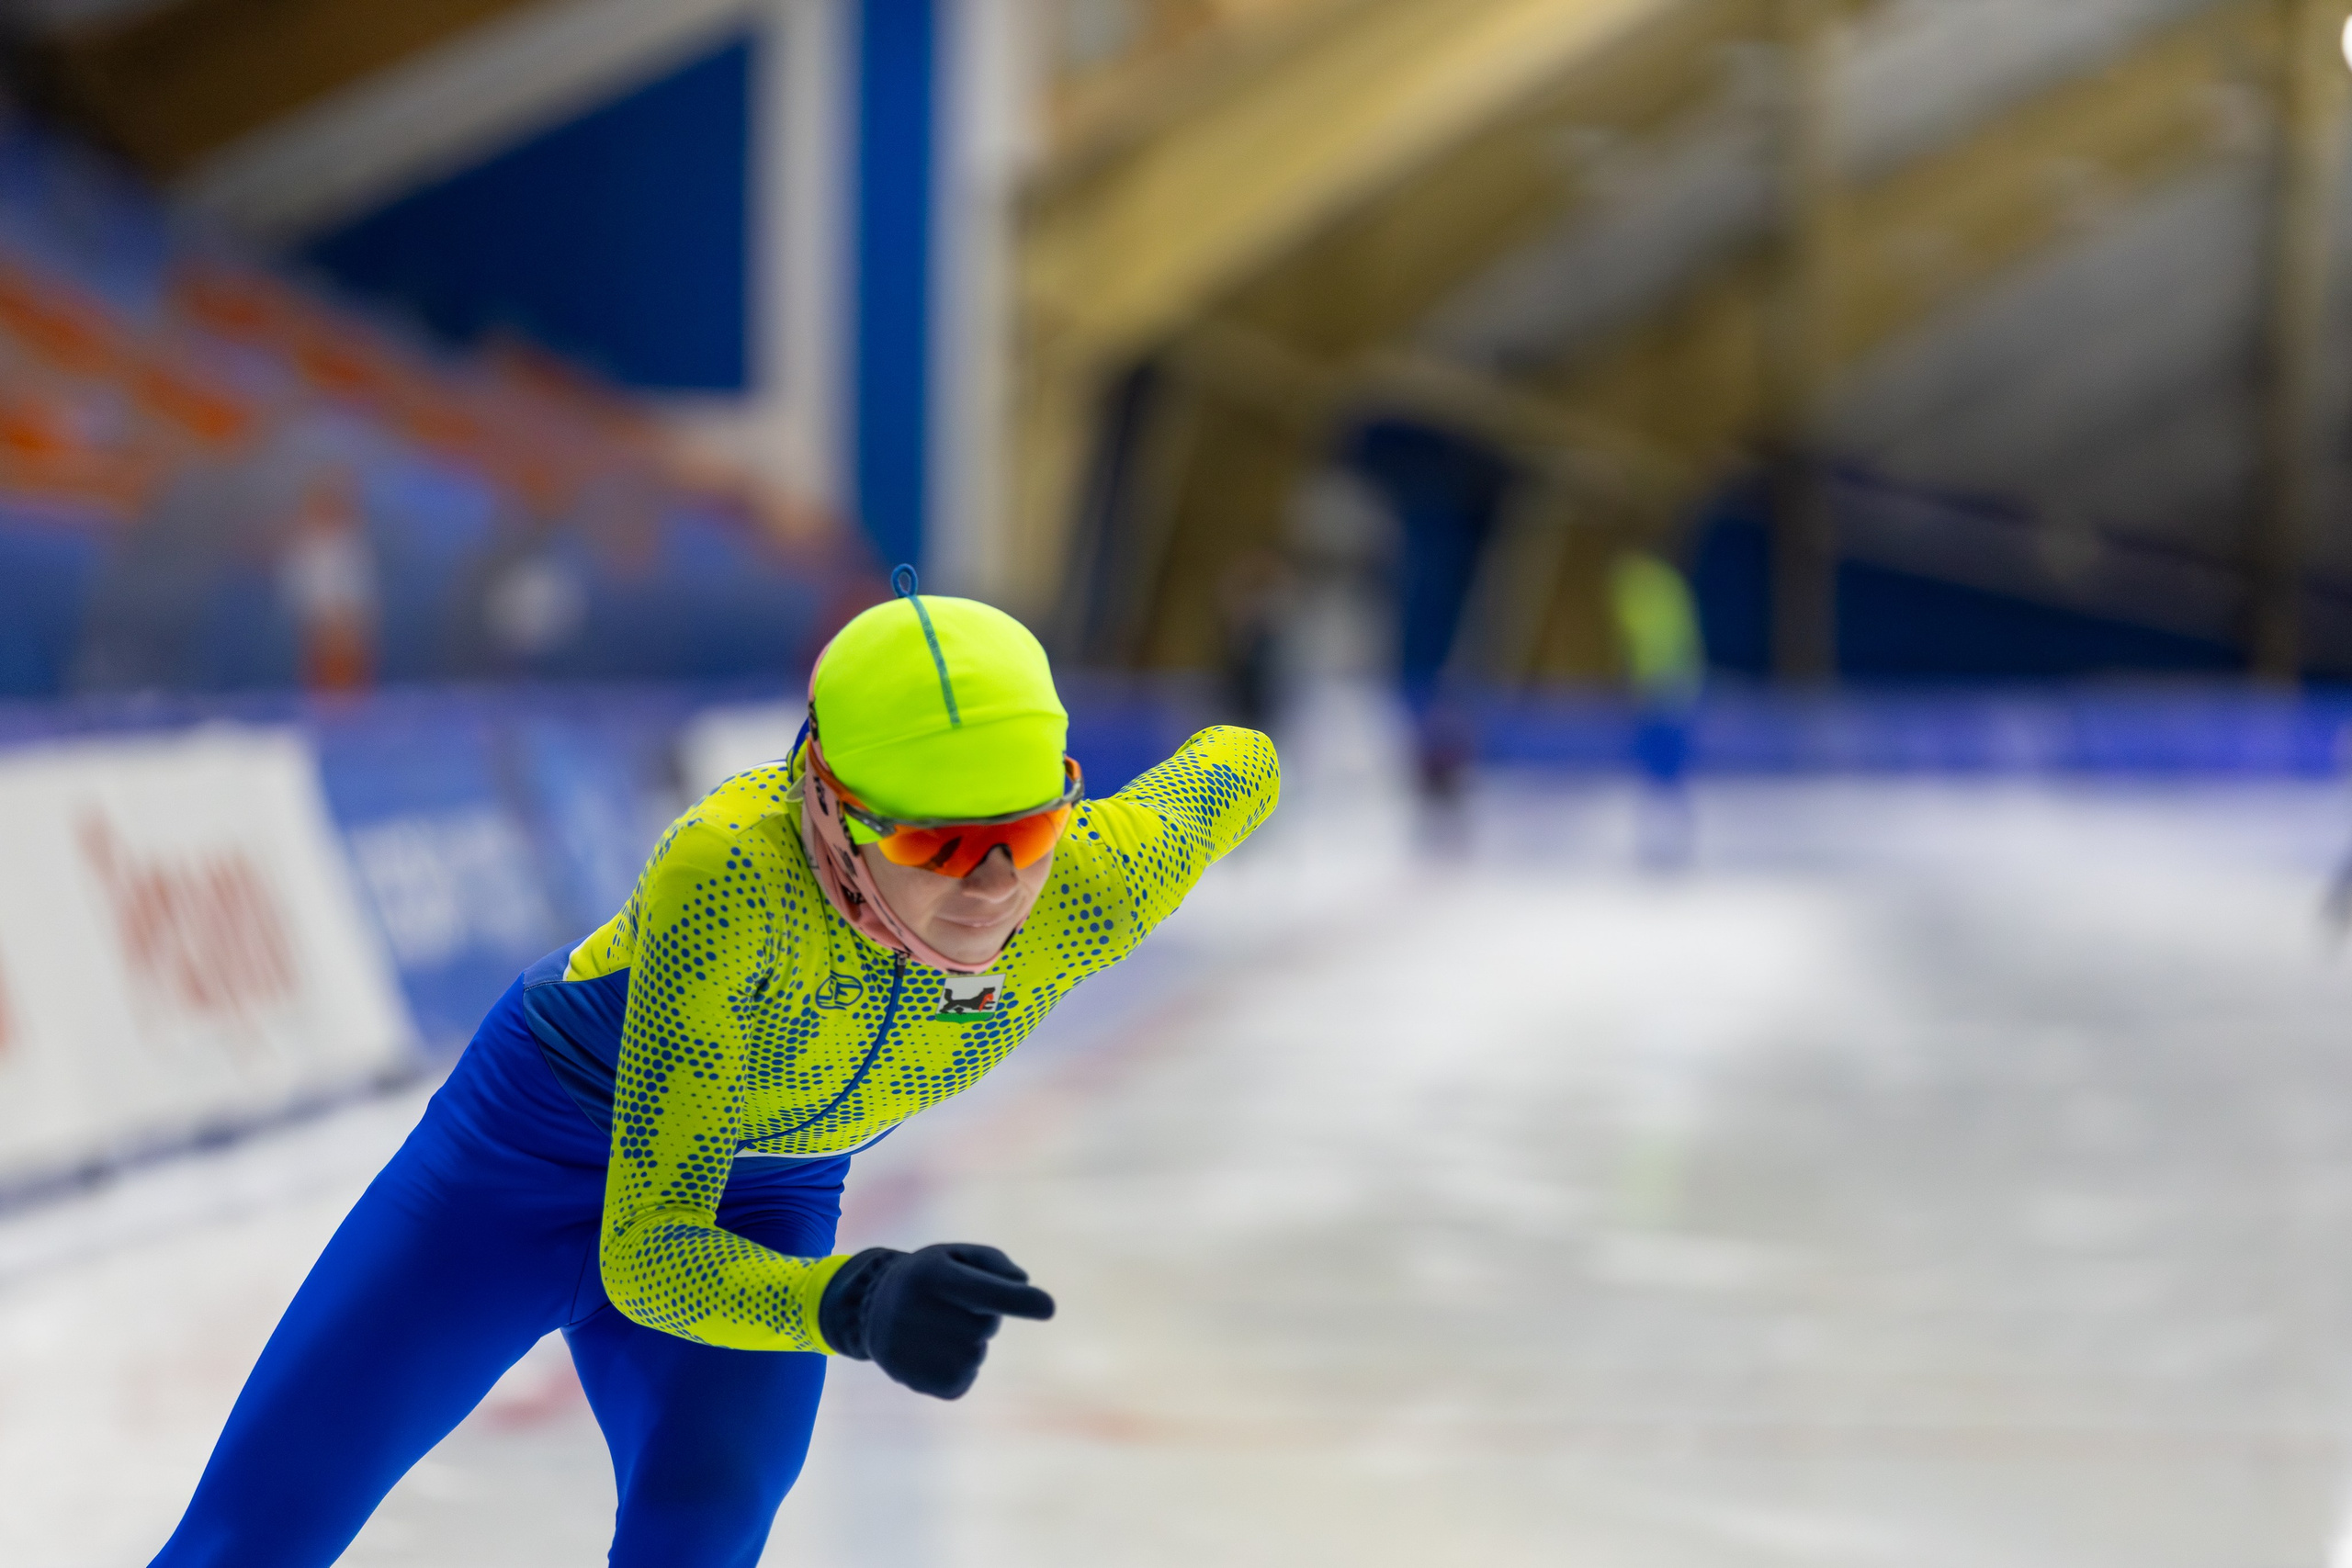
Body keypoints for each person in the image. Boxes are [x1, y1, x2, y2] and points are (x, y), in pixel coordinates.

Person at [148, 571, 1281, 1568]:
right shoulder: (734, 877)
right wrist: (856, 1298)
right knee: (258, 1539)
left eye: (1025, 833)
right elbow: (649, 1253)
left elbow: (1240, 767)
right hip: (519, 1167)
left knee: (702, 1533)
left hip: (774, 1188)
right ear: (832, 812)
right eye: (937, 843)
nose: (992, 884)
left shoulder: (1093, 884)